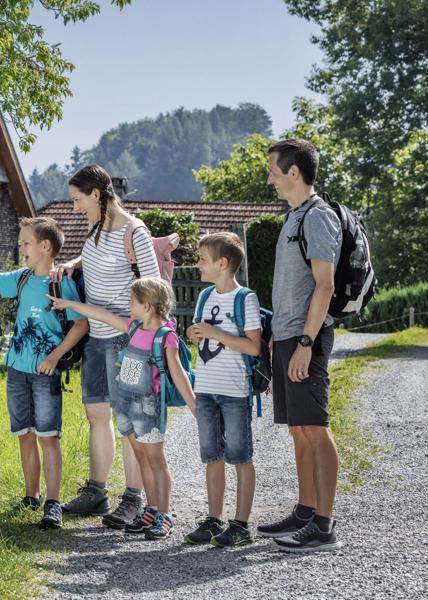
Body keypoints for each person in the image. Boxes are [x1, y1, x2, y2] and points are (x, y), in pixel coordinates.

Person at [0, 217, 88, 529]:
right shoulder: (21, 279)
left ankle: (53, 504)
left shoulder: (60, 282)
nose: (20, 248)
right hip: (17, 371)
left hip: (45, 373)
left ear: (45, 246)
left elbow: (81, 324)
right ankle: (31, 496)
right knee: (24, 434)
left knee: (48, 438)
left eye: (25, 243)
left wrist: (55, 356)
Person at [53, 165, 163, 529]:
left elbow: (156, 289)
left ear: (97, 195)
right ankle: (97, 492)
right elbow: (99, 259)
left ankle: (133, 498)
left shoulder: (136, 232)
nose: (74, 207)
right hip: (96, 339)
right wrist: (73, 262)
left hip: (127, 340)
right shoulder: (96, 228)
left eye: (77, 199)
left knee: (129, 421)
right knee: (96, 415)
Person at [50, 277, 195, 539]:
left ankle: (165, 514)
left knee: (156, 460)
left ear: (148, 305)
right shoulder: (134, 327)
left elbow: (179, 373)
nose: (128, 305)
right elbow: (102, 315)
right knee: (141, 458)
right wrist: (68, 303)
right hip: (126, 404)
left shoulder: (166, 336)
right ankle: (151, 509)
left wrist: (195, 406)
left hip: (148, 407)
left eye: (132, 301)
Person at [257, 139, 343, 552]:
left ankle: (323, 527)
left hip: (308, 337)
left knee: (315, 428)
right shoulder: (294, 217)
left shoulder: (318, 217)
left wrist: (307, 343)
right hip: (289, 337)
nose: (270, 178)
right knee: (298, 430)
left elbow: (324, 285)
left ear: (294, 172)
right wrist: (279, 337)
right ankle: (306, 511)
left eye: (273, 170)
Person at [183, 232, 261, 548]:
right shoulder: (205, 297)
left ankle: (240, 525)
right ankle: (214, 520)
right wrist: (194, 334)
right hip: (206, 390)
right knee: (211, 456)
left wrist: (215, 332)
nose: (198, 264)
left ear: (222, 263)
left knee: (240, 456)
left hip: (234, 392)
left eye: (202, 259)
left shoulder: (246, 299)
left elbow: (254, 347)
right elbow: (202, 335)